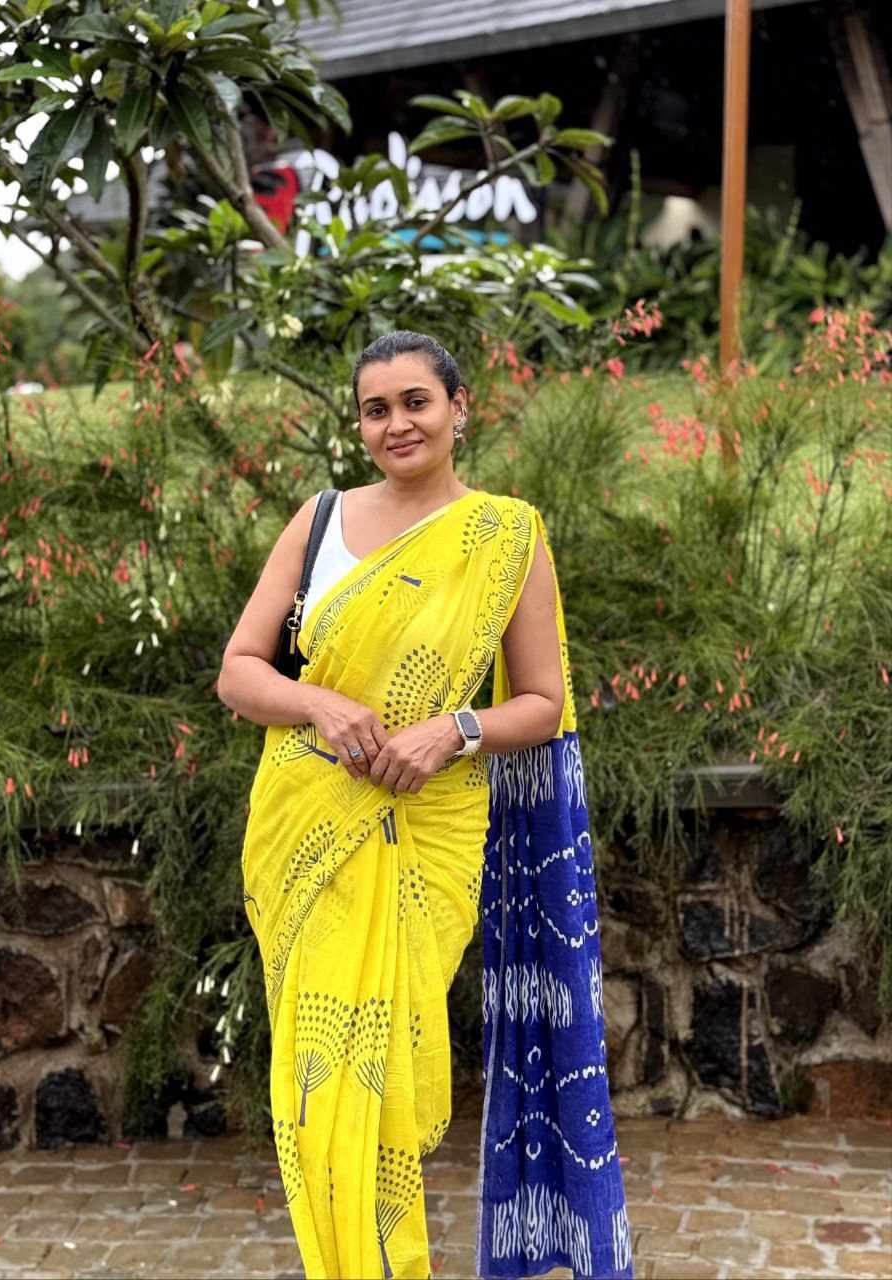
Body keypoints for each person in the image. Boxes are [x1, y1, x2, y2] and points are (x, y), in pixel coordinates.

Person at [217, 331, 632, 1280]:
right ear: (359, 425)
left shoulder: (505, 537)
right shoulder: (319, 520)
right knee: (320, 1093)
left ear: (458, 408)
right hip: (307, 828)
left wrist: (454, 730)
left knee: (383, 1082)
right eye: (376, 410)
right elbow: (239, 672)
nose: (396, 424)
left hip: (425, 828)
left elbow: (543, 703)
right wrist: (318, 702)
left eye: (416, 402)